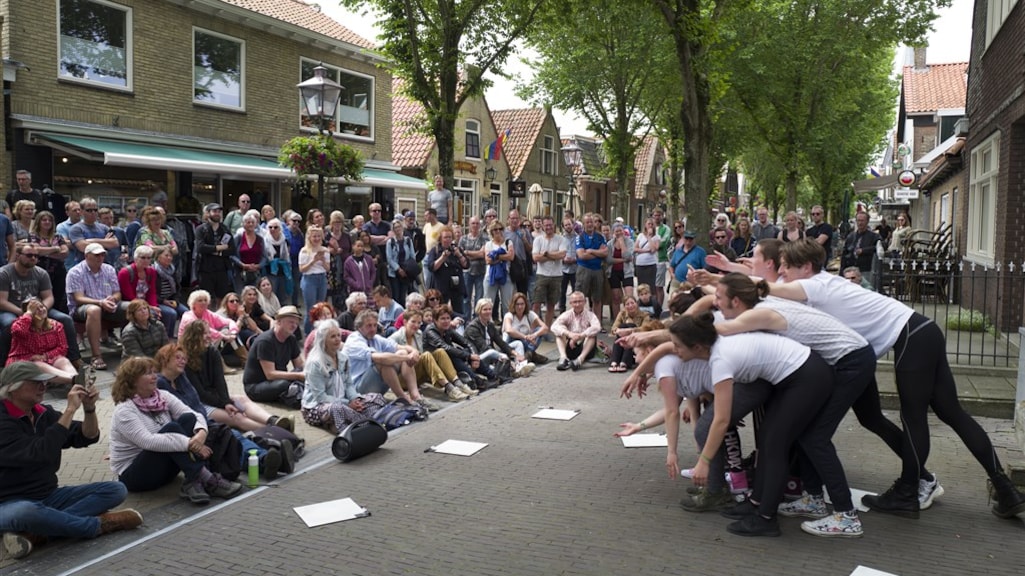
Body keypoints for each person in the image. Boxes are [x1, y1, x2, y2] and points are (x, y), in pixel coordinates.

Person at [771, 240, 1025, 520]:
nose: (781, 271)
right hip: (922, 332)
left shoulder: (815, 284)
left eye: (786, 266)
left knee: (914, 417)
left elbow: (770, 289)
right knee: (923, 414)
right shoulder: (824, 283)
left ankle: (908, 491)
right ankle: (1005, 489)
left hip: (911, 338)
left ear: (805, 267)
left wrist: (734, 279)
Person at [709, 273, 876, 537]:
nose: (714, 303)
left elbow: (718, 329)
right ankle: (811, 498)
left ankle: (846, 515)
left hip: (850, 361)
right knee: (796, 436)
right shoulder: (756, 303)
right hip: (838, 361)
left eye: (718, 298)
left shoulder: (759, 313)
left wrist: (668, 332)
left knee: (815, 438)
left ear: (738, 301)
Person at [668, 313, 835, 538]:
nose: (674, 350)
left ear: (696, 346)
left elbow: (721, 419)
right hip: (797, 375)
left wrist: (704, 461)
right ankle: (756, 502)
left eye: (677, 346)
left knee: (775, 445)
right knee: (768, 440)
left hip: (808, 376)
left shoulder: (720, 360)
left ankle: (766, 519)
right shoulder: (715, 347)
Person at [0, 362, 141, 561]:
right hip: (9, 503)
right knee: (26, 512)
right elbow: (41, 452)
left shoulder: (42, 412)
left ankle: (37, 532)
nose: (43, 387)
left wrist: (89, 410)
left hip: (48, 495)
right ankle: (97, 525)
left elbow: (86, 436)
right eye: (36, 383)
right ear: (12, 387)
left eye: (45, 383)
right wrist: (69, 411)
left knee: (116, 490)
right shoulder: (3, 422)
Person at [109, 357, 243, 505]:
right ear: (133, 380)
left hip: (164, 472)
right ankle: (207, 479)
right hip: (136, 477)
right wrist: (189, 443)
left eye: (154, 372)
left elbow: (195, 414)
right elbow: (148, 441)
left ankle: (193, 480)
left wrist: (201, 433)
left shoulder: (162, 396)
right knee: (172, 428)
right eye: (148, 373)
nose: (155, 376)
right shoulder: (124, 410)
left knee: (188, 419)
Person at [153, 344, 287, 481]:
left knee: (233, 436)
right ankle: (266, 460)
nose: (183, 361)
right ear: (165, 359)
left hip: (203, 424)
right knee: (225, 445)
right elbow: (176, 416)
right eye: (178, 358)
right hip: (188, 433)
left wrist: (203, 424)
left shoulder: (181, 379)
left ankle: (267, 459)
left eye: (184, 358)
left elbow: (197, 405)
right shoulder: (160, 384)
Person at [179, 321, 292, 433]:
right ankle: (276, 432)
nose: (209, 336)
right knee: (237, 417)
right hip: (197, 404)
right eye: (204, 333)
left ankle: (273, 421)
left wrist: (226, 401)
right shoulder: (185, 360)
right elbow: (200, 393)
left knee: (243, 400)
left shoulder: (212, 351)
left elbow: (220, 381)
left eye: (209, 333)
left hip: (215, 397)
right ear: (193, 337)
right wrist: (224, 404)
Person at [0, 243, 82, 369]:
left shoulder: (41, 273)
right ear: (17, 255)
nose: (33, 258)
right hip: (12, 308)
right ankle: (4, 364)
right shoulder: (5, 273)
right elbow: (2, 301)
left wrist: (41, 309)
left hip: (38, 309)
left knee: (65, 319)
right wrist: (24, 313)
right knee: (9, 324)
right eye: (29, 255)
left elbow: (49, 297)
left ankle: (75, 358)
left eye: (36, 256)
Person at [344, 308, 436, 409]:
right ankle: (403, 398)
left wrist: (413, 352)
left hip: (374, 383)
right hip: (356, 389)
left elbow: (402, 347)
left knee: (402, 352)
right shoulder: (354, 340)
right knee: (384, 362)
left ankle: (416, 396)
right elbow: (379, 358)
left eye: (375, 325)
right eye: (369, 326)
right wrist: (406, 357)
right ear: (359, 327)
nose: (373, 329)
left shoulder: (376, 338)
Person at [66, 243, 129, 370]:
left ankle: (131, 349)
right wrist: (100, 302)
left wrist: (113, 298)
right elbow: (78, 298)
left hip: (108, 304)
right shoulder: (75, 272)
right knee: (94, 310)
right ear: (87, 256)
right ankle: (96, 355)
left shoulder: (109, 269)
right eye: (96, 255)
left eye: (102, 255)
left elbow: (117, 292)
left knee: (133, 307)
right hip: (82, 308)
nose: (100, 257)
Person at [389, 309, 475, 401]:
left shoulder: (418, 334)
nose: (416, 325)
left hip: (417, 375)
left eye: (419, 323)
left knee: (440, 351)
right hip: (401, 378)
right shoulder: (395, 337)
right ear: (405, 322)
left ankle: (458, 383)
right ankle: (449, 388)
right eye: (413, 322)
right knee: (426, 355)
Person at [424, 305, 502, 390]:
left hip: (449, 360)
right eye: (442, 319)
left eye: (448, 318)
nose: (446, 321)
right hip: (435, 366)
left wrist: (474, 356)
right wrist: (469, 356)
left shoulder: (447, 329)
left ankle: (492, 376)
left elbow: (466, 342)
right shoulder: (430, 331)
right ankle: (477, 380)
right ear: (435, 320)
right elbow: (445, 347)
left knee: (466, 350)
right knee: (454, 354)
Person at [5, 298, 80, 385]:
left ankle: (76, 378)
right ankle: (74, 380)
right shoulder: (19, 325)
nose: (41, 310)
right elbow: (19, 331)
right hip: (24, 362)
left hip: (47, 359)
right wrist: (28, 314)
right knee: (39, 365)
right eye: (35, 309)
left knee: (63, 360)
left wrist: (45, 356)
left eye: (41, 306)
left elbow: (63, 348)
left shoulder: (56, 325)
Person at [242, 306, 306, 404]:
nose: (294, 325)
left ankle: (295, 391)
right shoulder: (266, 341)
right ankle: (293, 393)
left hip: (278, 379)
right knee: (284, 384)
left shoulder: (291, 339)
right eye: (291, 322)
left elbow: (299, 365)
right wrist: (298, 376)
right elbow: (270, 374)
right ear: (279, 322)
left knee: (304, 375)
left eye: (296, 323)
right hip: (257, 385)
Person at [465, 298, 533, 378]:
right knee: (492, 353)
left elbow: (501, 342)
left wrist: (515, 354)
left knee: (518, 343)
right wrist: (502, 356)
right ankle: (514, 368)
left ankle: (520, 366)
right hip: (477, 357)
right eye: (485, 310)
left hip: (491, 353)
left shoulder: (490, 325)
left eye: (490, 309)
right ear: (479, 311)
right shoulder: (472, 328)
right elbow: (484, 348)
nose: (488, 312)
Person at [117, 245, 174, 337]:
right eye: (143, 258)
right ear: (136, 258)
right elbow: (128, 295)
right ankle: (145, 339)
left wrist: (154, 306)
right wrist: (149, 307)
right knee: (150, 314)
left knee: (169, 313)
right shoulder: (125, 272)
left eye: (148, 258)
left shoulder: (151, 271)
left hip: (147, 303)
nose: (146, 260)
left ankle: (165, 340)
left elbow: (152, 292)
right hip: (130, 303)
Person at [29, 210, 69, 313]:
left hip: (58, 272)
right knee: (40, 297)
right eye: (44, 220)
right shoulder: (33, 236)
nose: (47, 222)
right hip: (39, 271)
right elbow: (36, 250)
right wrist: (55, 249)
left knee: (58, 298)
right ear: (39, 222)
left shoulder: (58, 236)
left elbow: (65, 253)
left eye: (50, 220)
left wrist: (44, 252)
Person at [193, 203, 235, 301]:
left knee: (222, 297)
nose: (217, 214)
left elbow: (232, 249)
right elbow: (200, 247)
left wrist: (218, 252)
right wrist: (218, 248)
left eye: (219, 212)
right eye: (214, 211)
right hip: (205, 268)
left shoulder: (225, 229)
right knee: (206, 298)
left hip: (222, 268)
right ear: (208, 213)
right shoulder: (201, 229)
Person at [552, 291, 601, 371]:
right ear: (570, 303)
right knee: (559, 332)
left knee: (592, 335)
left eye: (580, 301)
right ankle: (563, 358)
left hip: (585, 347)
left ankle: (580, 360)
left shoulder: (590, 315)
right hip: (571, 347)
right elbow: (554, 326)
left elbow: (597, 327)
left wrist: (580, 336)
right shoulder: (566, 314)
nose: (577, 304)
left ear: (585, 302)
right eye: (575, 302)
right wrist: (569, 334)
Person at [68, 197, 120, 269]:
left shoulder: (104, 228)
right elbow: (83, 247)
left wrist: (92, 241)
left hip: (104, 268)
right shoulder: (76, 228)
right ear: (82, 212)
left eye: (95, 210)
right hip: (84, 269)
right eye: (89, 210)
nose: (93, 213)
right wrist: (105, 242)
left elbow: (115, 243)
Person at [502, 291, 550, 365]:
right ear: (513, 305)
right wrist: (525, 337)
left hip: (526, 343)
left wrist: (535, 335)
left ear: (526, 304)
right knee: (519, 341)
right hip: (511, 343)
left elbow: (545, 328)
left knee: (539, 330)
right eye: (517, 304)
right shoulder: (509, 315)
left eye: (522, 304)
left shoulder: (529, 314)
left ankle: (528, 354)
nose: (520, 307)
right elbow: (509, 330)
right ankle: (531, 355)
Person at [575, 213, 608, 318]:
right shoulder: (580, 237)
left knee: (597, 299)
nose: (590, 224)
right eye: (587, 222)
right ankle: (579, 322)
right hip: (584, 269)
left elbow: (605, 253)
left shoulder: (600, 237)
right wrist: (598, 253)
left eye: (591, 222)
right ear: (583, 224)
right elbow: (581, 255)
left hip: (598, 270)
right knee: (580, 298)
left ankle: (597, 323)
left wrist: (591, 251)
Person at [298, 225, 330, 333]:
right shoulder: (304, 251)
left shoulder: (325, 250)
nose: (316, 239)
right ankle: (308, 334)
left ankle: (319, 332)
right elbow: (302, 269)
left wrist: (323, 260)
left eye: (318, 236)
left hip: (321, 278)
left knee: (321, 308)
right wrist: (314, 260)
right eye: (314, 236)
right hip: (309, 279)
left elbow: (327, 268)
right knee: (311, 309)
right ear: (309, 237)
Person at [152, 245, 188, 337]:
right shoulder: (153, 271)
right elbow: (151, 292)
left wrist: (175, 300)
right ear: (158, 257)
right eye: (166, 255)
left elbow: (177, 288)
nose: (169, 258)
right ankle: (168, 337)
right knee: (171, 313)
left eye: (170, 256)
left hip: (171, 299)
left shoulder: (172, 270)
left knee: (186, 313)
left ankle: (183, 336)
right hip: (158, 301)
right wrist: (163, 301)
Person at [607, 295, 649, 373]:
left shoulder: (645, 315)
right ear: (624, 306)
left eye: (632, 303)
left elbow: (645, 329)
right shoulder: (622, 314)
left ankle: (624, 362)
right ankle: (615, 362)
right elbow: (614, 328)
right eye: (627, 304)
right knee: (622, 326)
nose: (630, 306)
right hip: (622, 342)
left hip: (637, 343)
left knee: (630, 326)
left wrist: (629, 330)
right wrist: (618, 331)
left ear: (636, 303)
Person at [840, 212, 880, 286]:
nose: (860, 223)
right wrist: (842, 271)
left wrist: (864, 250)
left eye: (862, 220)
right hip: (851, 270)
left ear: (867, 221)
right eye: (858, 220)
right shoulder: (851, 236)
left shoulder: (874, 236)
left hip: (865, 269)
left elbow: (880, 246)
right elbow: (844, 253)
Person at [484, 220, 515, 315]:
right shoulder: (488, 244)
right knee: (488, 303)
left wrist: (496, 256)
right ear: (491, 231)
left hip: (505, 275)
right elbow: (488, 260)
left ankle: (506, 325)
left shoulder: (508, 243)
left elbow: (511, 257)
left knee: (507, 303)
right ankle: (488, 325)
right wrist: (502, 257)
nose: (498, 231)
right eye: (495, 229)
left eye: (500, 229)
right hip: (491, 276)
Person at [606, 222, 635, 322]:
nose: (619, 233)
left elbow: (628, 256)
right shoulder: (610, 244)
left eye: (620, 231)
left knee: (629, 297)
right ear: (613, 232)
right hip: (614, 271)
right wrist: (623, 260)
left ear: (624, 231)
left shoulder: (630, 242)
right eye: (616, 231)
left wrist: (622, 242)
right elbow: (609, 260)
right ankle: (617, 320)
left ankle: (630, 319)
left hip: (627, 271)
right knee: (616, 297)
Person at [324, 210, 352, 310]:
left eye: (339, 222)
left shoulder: (347, 236)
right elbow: (322, 249)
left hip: (345, 267)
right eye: (335, 222)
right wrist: (332, 250)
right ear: (331, 223)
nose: (337, 224)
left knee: (343, 294)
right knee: (329, 295)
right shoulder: (327, 236)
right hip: (331, 269)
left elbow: (351, 250)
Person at [232, 212, 266, 293]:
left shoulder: (260, 239)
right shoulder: (238, 237)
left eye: (252, 222)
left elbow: (264, 256)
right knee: (241, 295)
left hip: (256, 273)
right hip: (240, 273)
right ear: (243, 224)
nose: (250, 224)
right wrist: (242, 265)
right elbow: (232, 255)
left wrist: (259, 266)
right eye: (248, 222)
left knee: (255, 296)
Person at [459, 215, 487, 311]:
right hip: (467, 272)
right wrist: (476, 254)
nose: (475, 225)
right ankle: (466, 320)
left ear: (480, 225)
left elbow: (482, 254)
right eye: (473, 223)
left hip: (480, 272)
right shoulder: (463, 239)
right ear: (469, 225)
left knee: (479, 299)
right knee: (466, 298)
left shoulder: (484, 239)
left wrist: (467, 252)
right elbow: (460, 254)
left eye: (477, 223)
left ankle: (477, 318)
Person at [263, 218, 293, 306]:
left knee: (282, 297)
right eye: (270, 227)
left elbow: (287, 256)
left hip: (283, 271)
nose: (273, 229)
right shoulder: (264, 240)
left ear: (280, 228)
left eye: (275, 227)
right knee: (270, 296)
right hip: (269, 272)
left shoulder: (284, 240)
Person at [386, 220, 416, 305]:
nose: (397, 229)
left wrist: (406, 269)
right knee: (396, 296)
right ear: (393, 230)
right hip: (394, 273)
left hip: (406, 272)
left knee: (403, 296)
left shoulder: (408, 241)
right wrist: (398, 269)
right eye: (395, 227)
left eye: (399, 227)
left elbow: (412, 256)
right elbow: (389, 258)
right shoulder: (390, 242)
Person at [505, 209, 533, 296]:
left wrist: (524, 239)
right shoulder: (504, 232)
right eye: (512, 218)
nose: (515, 220)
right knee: (509, 293)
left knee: (522, 293)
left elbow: (530, 249)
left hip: (521, 265)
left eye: (517, 218)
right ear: (508, 219)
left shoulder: (525, 232)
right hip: (509, 265)